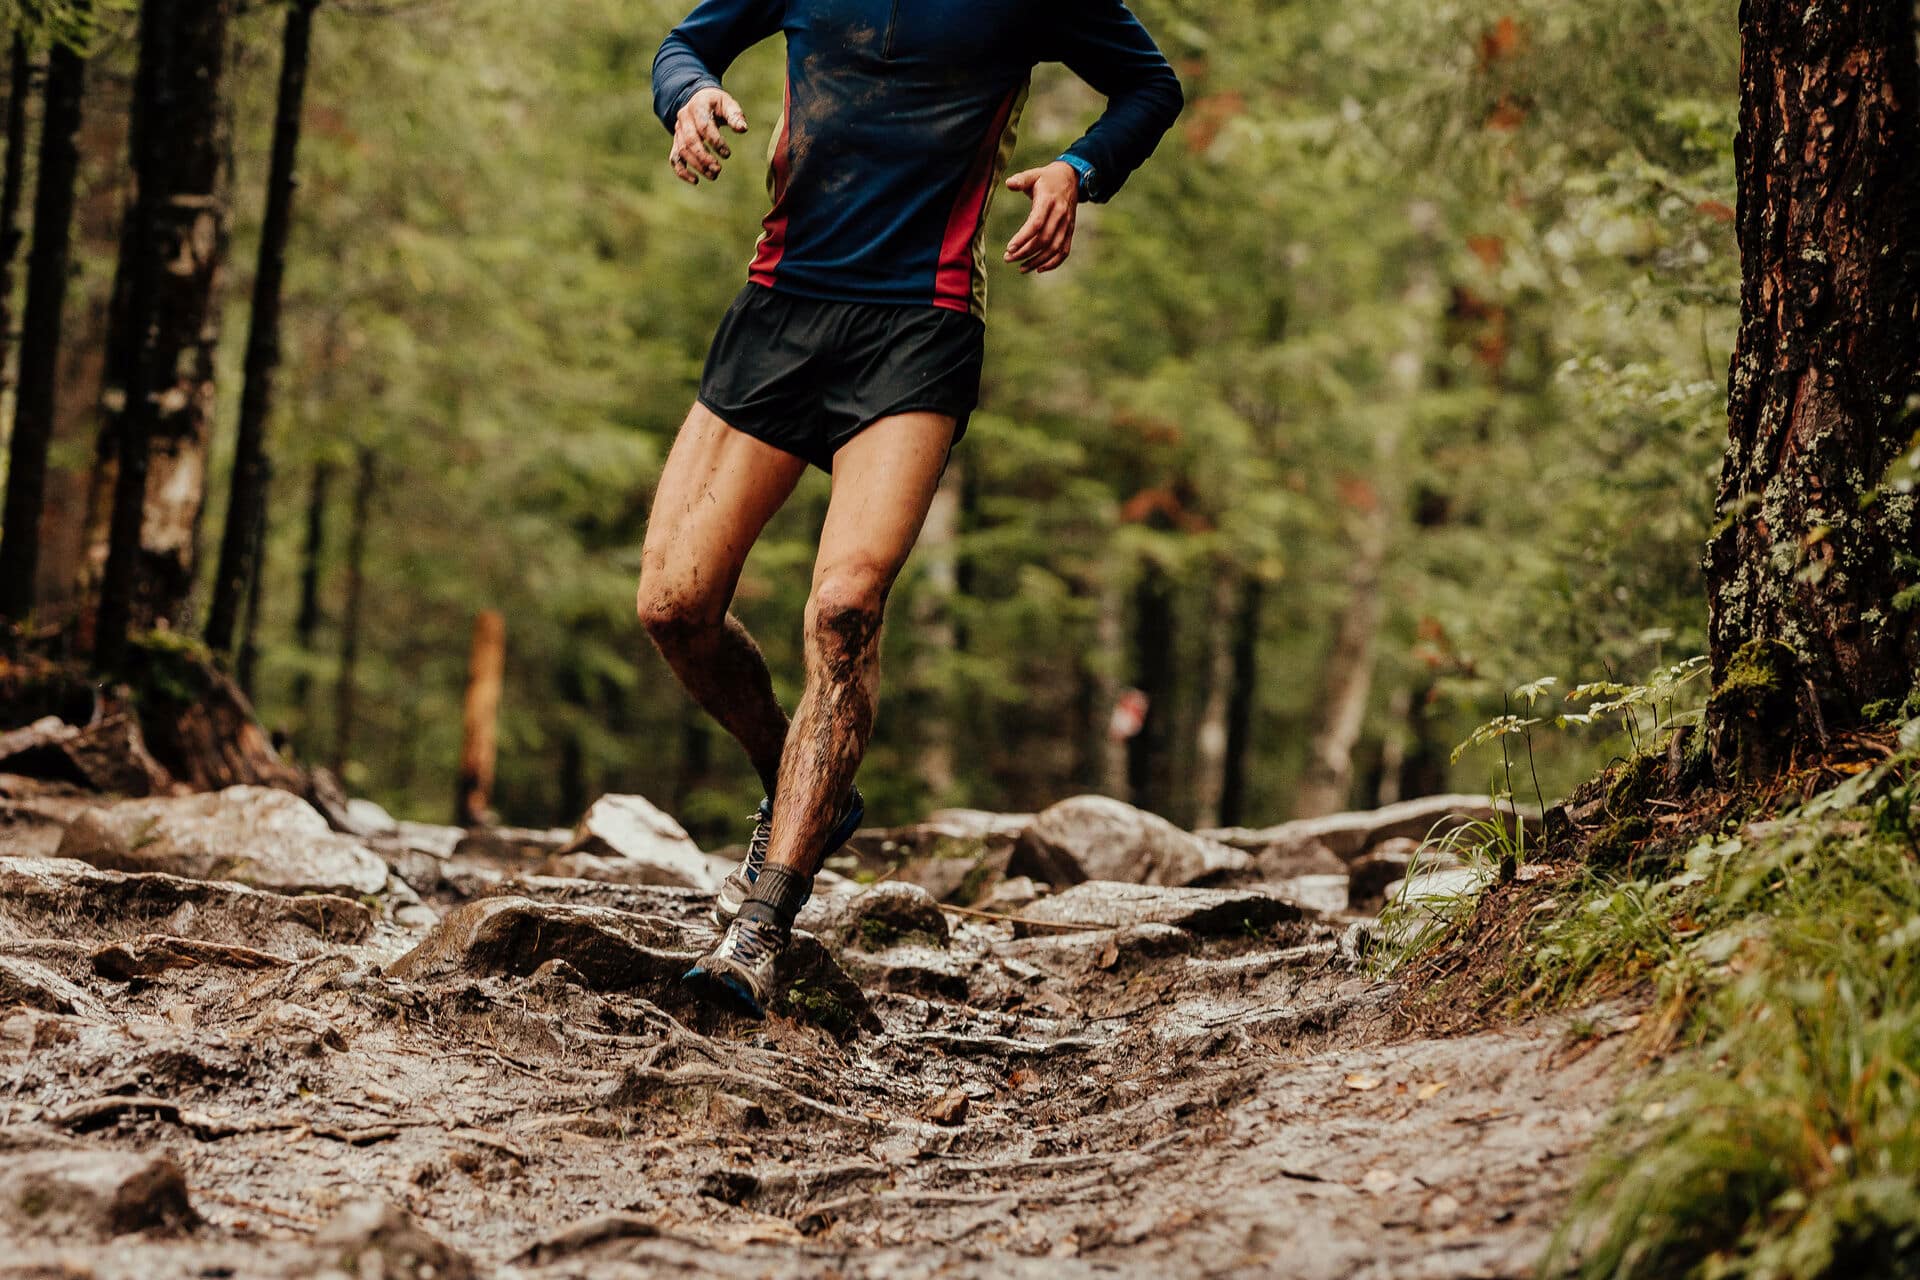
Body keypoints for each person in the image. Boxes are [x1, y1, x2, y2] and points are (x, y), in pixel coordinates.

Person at [642, 0, 1183, 1016]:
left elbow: (1151, 86)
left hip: (919, 323)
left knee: (845, 608)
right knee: (674, 605)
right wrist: (691, 97)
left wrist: (1078, 168)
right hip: (781, 303)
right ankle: (801, 786)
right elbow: (687, 44)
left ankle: (764, 919)